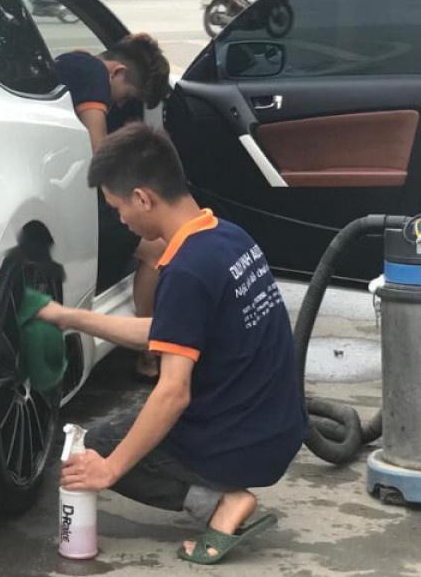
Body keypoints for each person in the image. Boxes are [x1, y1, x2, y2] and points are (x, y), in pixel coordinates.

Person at [35, 124, 306, 564]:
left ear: (143, 198)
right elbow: (170, 330)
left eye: (118, 207)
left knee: (94, 449)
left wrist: (111, 468)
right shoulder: (225, 236)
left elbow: (173, 392)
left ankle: (223, 504)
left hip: (243, 440)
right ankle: (218, 487)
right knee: (125, 433)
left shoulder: (185, 270)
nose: (121, 220)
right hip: (276, 422)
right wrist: (71, 318)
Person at [53, 35, 171, 380]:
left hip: (62, 192)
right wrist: (121, 199)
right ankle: (150, 352)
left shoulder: (72, 59)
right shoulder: (91, 71)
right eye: (127, 95)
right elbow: (97, 148)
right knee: (157, 252)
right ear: (116, 71)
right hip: (80, 199)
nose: (121, 104)